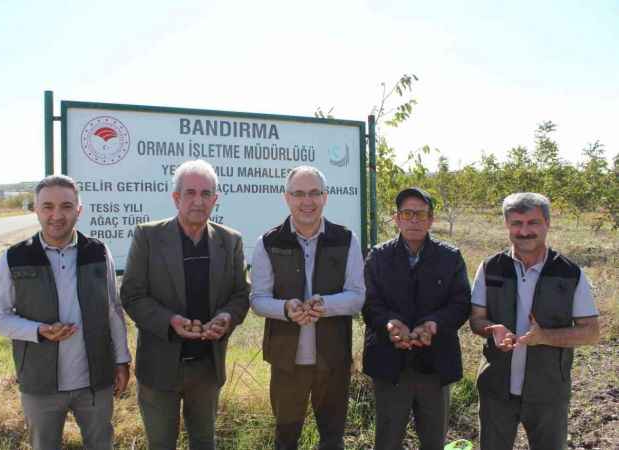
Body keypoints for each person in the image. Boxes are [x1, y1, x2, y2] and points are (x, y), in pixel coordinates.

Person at [0, 175, 131, 450]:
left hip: (95, 381)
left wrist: (122, 360)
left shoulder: (98, 252)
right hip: (40, 384)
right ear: (36, 210)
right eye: (48, 207)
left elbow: (112, 308)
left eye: (66, 206)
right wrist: (38, 331)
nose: (57, 215)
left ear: (79, 210)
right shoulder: (14, 258)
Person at [120, 159, 250, 450]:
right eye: (190, 193)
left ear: (215, 200)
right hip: (160, 366)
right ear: (175, 197)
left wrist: (226, 317)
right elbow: (132, 295)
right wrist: (170, 322)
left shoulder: (230, 241)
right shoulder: (148, 237)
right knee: (161, 444)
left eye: (206, 194)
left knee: (204, 442)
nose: (198, 201)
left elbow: (241, 294)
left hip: (207, 366)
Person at [470, 192, 600, 450]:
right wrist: (491, 330)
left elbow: (591, 332)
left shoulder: (569, 273)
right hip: (496, 388)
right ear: (507, 225)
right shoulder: (490, 268)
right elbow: (476, 319)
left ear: (547, 224)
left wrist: (545, 337)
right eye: (517, 223)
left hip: (549, 391)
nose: (524, 231)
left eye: (533, 222)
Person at [250, 165, 365, 450]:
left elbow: (358, 295)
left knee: (332, 438)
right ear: (287, 198)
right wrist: (286, 310)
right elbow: (258, 299)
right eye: (299, 193)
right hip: (286, 363)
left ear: (325, 197)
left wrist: (326, 305)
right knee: (286, 439)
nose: (307, 201)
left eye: (314, 193)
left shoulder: (346, 239)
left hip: (333, 360)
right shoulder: (268, 242)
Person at [362, 187, 471, 450]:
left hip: (434, 363)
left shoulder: (450, 257)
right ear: (397, 218)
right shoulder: (378, 256)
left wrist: (433, 324)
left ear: (431, 219)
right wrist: (389, 324)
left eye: (420, 214)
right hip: (390, 364)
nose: (414, 220)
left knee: (433, 440)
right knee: (387, 440)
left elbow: (460, 304)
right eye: (407, 213)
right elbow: (369, 302)